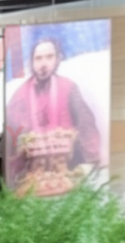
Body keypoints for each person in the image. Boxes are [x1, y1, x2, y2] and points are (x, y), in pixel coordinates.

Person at [5, 37, 100, 189]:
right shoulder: (19, 96)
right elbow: (9, 141)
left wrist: (89, 163)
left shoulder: (69, 88)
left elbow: (86, 126)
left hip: (69, 176)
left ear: (58, 59)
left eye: (49, 57)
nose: (44, 64)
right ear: (31, 62)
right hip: (30, 183)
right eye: (38, 58)